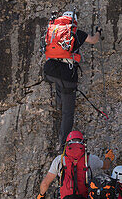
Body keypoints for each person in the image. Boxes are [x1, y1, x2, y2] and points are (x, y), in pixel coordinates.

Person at [43, 11, 100, 147]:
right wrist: (99, 32)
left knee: (59, 84)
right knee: (68, 113)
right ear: (74, 21)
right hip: (67, 75)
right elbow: (93, 40)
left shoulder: (53, 29)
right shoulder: (75, 32)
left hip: (49, 69)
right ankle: (63, 144)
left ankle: (59, 103)